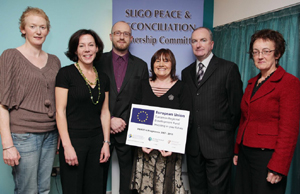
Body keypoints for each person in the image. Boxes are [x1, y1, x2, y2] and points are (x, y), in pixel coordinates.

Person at [0, 7, 61, 194]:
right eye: (33, 26)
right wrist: (7, 145)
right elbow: (2, 104)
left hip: (50, 135)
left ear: (48, 31)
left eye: (42, 27)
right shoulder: (11, 56)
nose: (38, 31)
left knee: (44, 189)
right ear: (23, 29)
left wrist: (60, 135)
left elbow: (58, 102)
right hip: (24, 135)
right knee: (28, 190)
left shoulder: (55, 61)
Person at [233, 29, 300, 194]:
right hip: (245, 154)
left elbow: (289, 130)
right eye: (255, 52)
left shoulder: (289, 83)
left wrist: (278, 167)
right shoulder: (252, 83)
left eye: (266, 51)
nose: (260, 56)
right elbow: (244, 119)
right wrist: (237, 150)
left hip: (268, 158)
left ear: (277, 54)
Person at [181, 27, 243, 194]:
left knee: (218, 191)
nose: (198, 45)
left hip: (219, 145)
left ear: (212, 44)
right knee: (197, 190)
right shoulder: (186, 73)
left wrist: (223, 132)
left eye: (203, 40)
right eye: (194, 41)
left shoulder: (228, 69)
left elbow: (236, 109)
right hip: (194, 146)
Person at [94, 21, 149, 194]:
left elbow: (142, 100)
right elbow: (91, 96)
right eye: (117, 33)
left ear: (131, 38)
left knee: (129, 178)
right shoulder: (96, 61)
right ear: (110, 37)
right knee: (97, 176)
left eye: (125, 34)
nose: (122, 36)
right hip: (101, 129)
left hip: (129, 130)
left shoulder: (141, 65)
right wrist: (109, 120)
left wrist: (123, 121)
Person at [55, 29, 110, 194]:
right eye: (82, 46)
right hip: (73, 141)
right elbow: (60, 111)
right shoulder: (65, 74)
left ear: (97, 48)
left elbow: (105, 112)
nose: (87, 49)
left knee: (95, 189)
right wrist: (67, 146)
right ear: (75, 50)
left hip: (97, 142)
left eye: (91, 45)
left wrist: (106, 143)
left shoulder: (103, 78)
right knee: (73, 188)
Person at [130, 48, 191, 194]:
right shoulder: (143, 85)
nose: (161, 64)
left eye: (166, 60)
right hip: (145, 150)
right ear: (152, 65)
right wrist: (141, 142)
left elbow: (187, 118)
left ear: (172, 64)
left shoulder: (182, 87)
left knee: (167, 188)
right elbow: (136, 114)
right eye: (157, 61)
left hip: (169, 151)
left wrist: (173, 145)